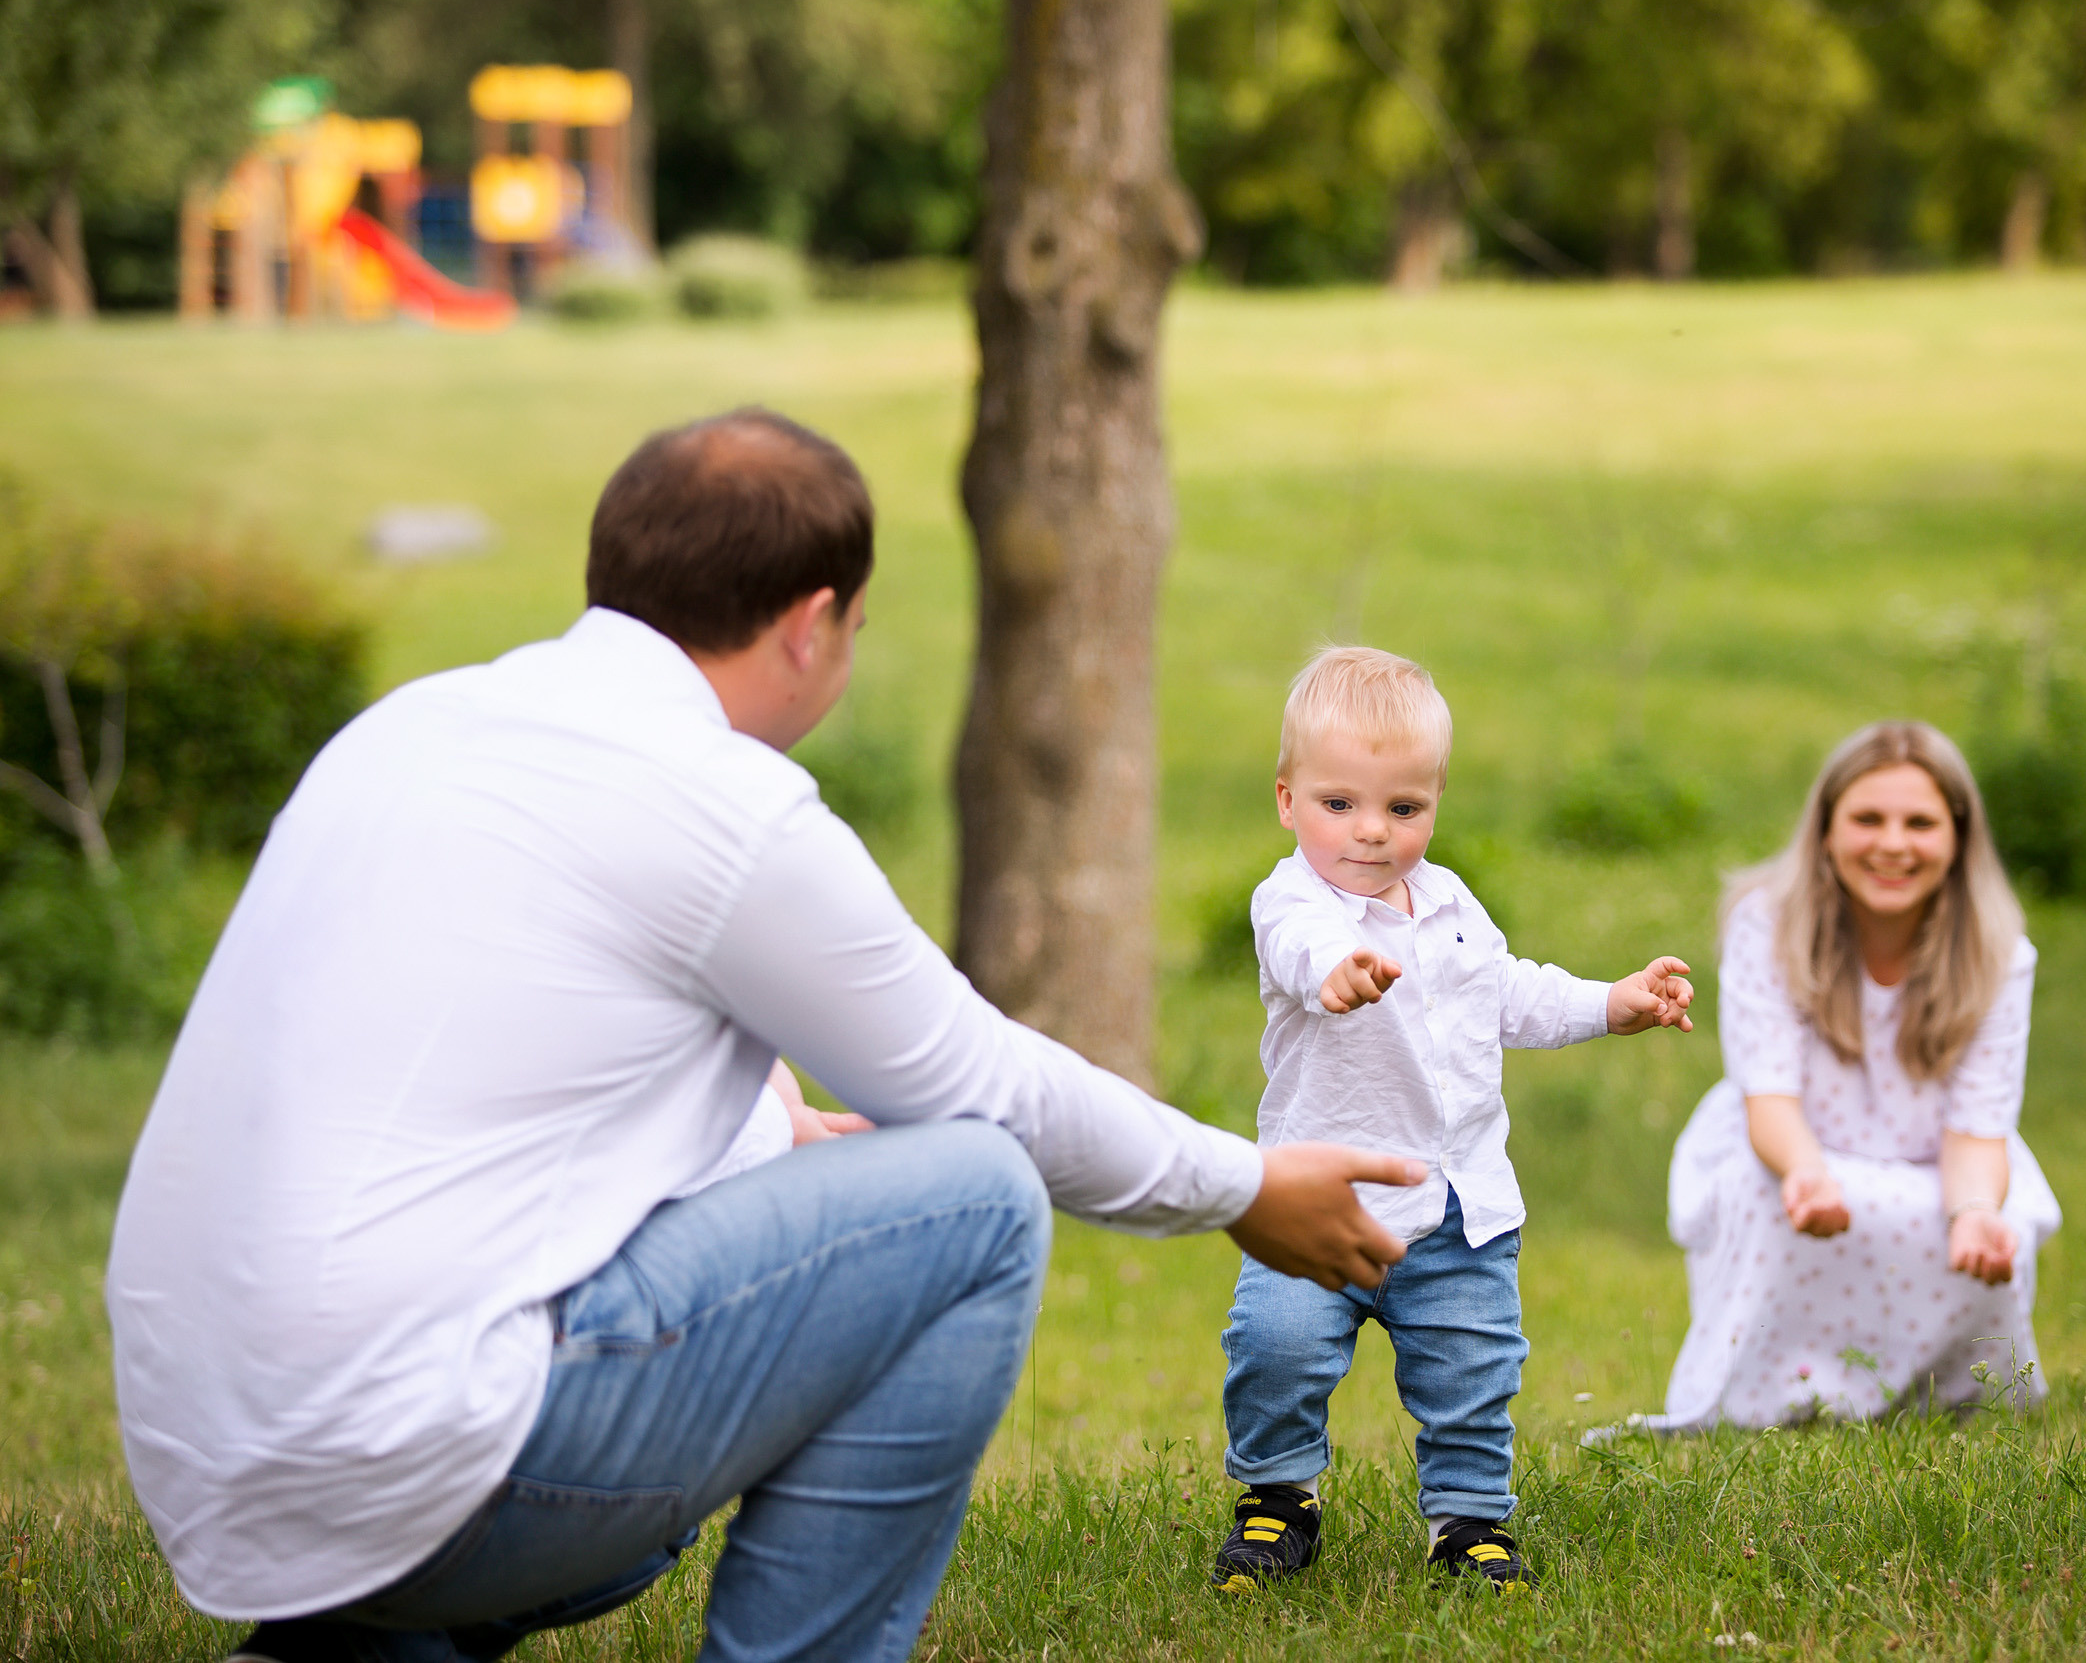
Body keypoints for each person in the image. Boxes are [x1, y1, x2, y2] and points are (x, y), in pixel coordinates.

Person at [104, 409, 1421, 1663]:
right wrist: (1243, 1186)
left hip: (208, 1467)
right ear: (809, 625)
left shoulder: (412, 726)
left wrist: (757, 1128)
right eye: (853, 629)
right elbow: (980, 1082)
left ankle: (350, 1645)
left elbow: (481, 1071)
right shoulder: (722, 804)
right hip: (410, 1463)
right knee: (973, 1198)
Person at [1207, 647, 1697, 1591]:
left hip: (1458, 1208)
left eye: (1404, 808)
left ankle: (1467, 1519)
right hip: (1319, 1205)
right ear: (1287, 800)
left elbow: (1507, 992)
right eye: (1339, 803)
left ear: (1435, 802)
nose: (1372, 830)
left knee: (1473, 1370)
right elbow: (1301, 946)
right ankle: (1279, 1499)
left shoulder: (1451, 903)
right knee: (1275, 1347)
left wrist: (1610, 1002)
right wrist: (1337, 970)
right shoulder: (1294, 903)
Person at [1605, 720, 2059, 1437]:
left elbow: (1980, 1122)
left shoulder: (1999, 953)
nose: (1893, 844)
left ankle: (1943, 1395)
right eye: (1868, 819)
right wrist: (1807, 1173)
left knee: (1992, 1226)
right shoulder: (1770, 925)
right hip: (1792, 1144)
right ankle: (1770, 1398)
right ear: (1825, 828)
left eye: (1920, 823)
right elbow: (1769, 1095)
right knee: (1768, 1200)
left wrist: (1973, 1208)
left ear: (1959, 837)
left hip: (1939, 1159)